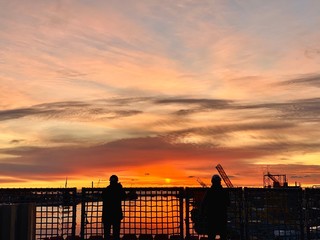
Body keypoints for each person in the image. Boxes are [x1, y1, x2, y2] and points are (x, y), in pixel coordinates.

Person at [201, 174, 230, 240]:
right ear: (220, 182)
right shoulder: (224, 192)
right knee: (223, 235)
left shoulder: (209, 192)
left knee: (211, 235)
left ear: (212, 182)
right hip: (222, 217)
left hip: (211, 218)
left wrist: (202, 215)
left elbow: (203, 204)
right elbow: (228, 203)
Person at [102, 175, 127, 240]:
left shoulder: (107, 189)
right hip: (116, 214)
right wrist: (120, 187)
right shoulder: (119, 189)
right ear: (117, 181)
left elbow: (102, 196)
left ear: (110, 181)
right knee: (116, 233)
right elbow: (124, 196)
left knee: (107, 233)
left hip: (107, 214)